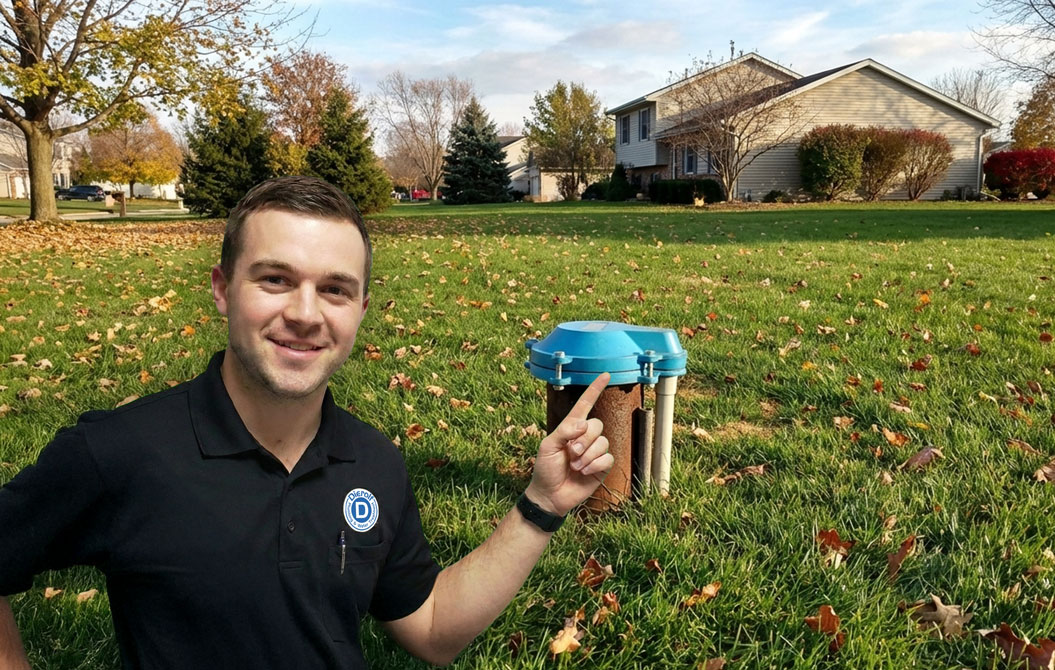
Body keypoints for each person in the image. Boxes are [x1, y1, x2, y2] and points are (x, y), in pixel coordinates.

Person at [0, 176, 614, 669]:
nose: (304, 314)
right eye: (275, 280)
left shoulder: (374, 463)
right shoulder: (118, 452)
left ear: (362, 310)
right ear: (222, 290)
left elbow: (430, 630)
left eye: (335, 290)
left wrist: (541, 504)